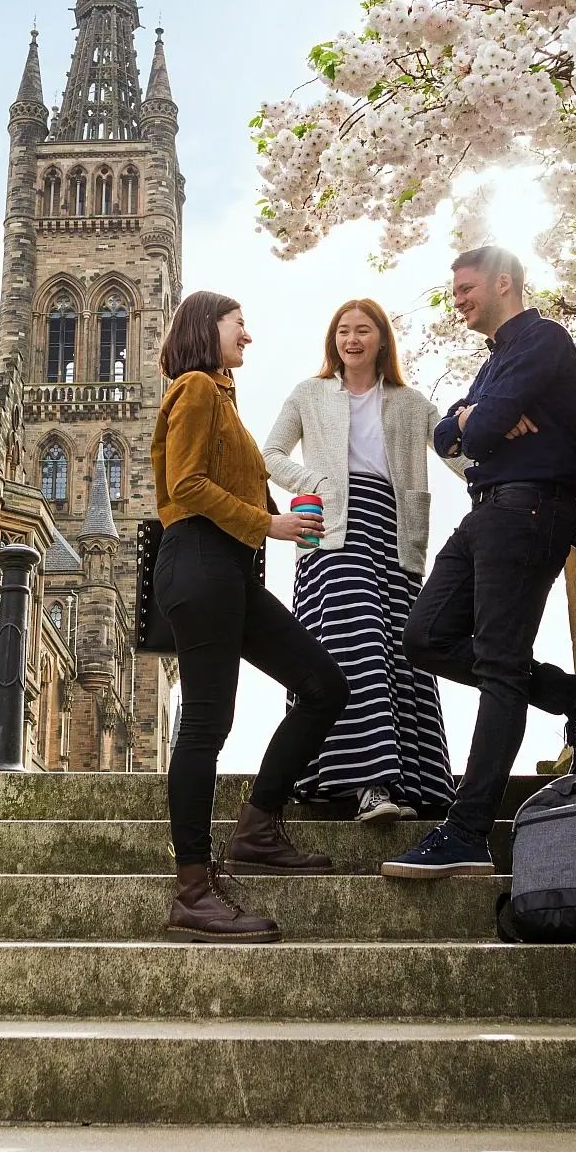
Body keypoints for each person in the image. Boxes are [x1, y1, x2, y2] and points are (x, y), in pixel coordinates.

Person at [382, 245, 576, 880]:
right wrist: (470, 417)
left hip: (530, 513)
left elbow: (478, 436)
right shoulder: (496, 364)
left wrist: (478, 422)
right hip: (486, 513)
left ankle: (467, 832)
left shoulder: (542, 341)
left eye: (466, 287)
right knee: (425, 637)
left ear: (504, 283)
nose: (457, 298)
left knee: (497, 666)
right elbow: (449, 435)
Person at [151, 291, 350, 941]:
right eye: (240, 324)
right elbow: (185, 485)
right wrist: (272, 522)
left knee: (324, 685)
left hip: (230, 570)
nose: (249, 336)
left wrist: (292, 510)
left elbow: (238, 485)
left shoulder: (222, 399)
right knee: (208, 723)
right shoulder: (196, 389)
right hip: (200, 560)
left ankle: (259, 827)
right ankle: (191, 890)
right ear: (209, 327)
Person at [263, 298, 455, 822]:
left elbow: (459, 451)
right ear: (333, 341)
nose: (352, 339)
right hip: (330, 535)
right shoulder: (309, 394)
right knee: (354, 648)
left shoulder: (412, 404)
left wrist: (508, 465)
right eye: (343, 331)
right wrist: (319, 484)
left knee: (400, 650)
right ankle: (369, 783)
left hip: (392, 535)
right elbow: (270, 455)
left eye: (363, 330)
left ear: (381, 340)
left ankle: (414, 784)